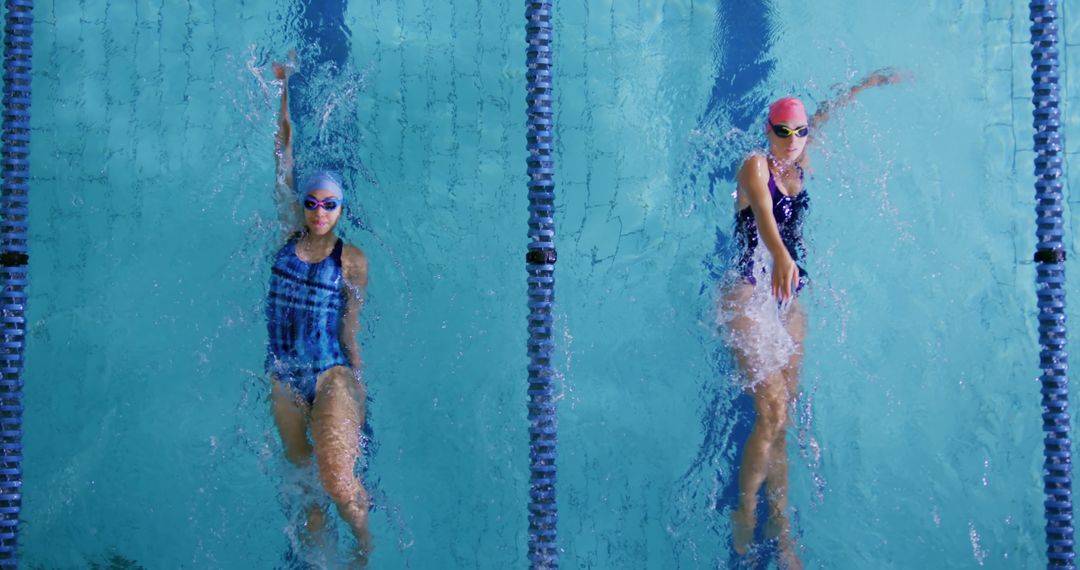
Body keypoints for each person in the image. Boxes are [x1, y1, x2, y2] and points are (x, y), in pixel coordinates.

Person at [719, 69, 903, 568]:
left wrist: (867, 85)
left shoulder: (800, 160)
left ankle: (781, 530)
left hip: (787, 301)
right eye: (784, 131)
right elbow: (761, 214)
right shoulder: (755, 165)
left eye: (799, 132)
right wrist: (780, 255)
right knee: (771, 412)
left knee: (786, 417)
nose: (794, 140)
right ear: (767, 130)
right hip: (748, 295)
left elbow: (826, 116)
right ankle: (746, 509)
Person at [266, 53, 373, 565]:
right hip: (283, 373)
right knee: (303, 482)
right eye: (312, 202)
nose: (319, 211)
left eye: (329, 204)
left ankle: (365, 548)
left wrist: (358, 377)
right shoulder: (286, 235)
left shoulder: (350, 260)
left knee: (335, 477)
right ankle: (323, 561)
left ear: (342, 208)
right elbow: (282, 154)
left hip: (331, 372)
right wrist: (281, 90)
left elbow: (351, 326)